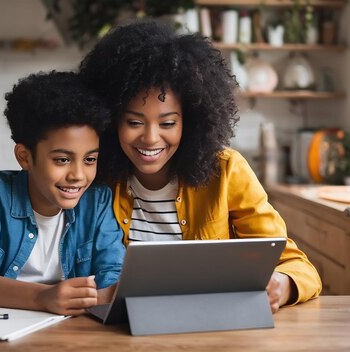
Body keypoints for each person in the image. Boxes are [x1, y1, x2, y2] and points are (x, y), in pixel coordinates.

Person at [79, 21, 322, 313]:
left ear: (191, 121)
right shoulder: (97, 175)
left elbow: (297, 265)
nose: (150, 138)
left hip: (210, 327)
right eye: (134, 122)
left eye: (168, 123)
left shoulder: (227, 171)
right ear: (111, 120)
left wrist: (282, 284)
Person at [0, 71, 125, 316]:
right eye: (62, 159)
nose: (79, 175)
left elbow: (113, 276)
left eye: (90, 159)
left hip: (71, 332)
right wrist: (42, 297)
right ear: (25, 157)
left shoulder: (97, 200)